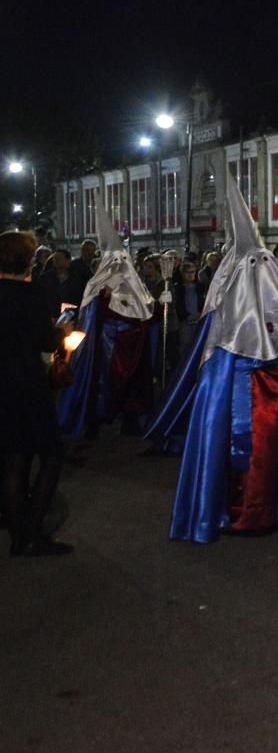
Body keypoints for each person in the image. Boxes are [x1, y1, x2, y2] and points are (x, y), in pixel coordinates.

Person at [165, 183, 278, 543]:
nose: (259, 268)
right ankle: (230, 510)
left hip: (272, 386)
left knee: (269, 454)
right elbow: (226, 334)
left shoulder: (264, 274)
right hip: (235, 382)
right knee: (229, 450)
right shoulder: (230, 289)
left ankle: (269, 508)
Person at [1, 231, 77, 556]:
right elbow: (46, 341)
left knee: (12, 459)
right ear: (27, 260)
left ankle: (19, 529)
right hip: (26, 382)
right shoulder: (29, 293)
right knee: (51, 454)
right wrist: (63, 333)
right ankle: (30, 533)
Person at [56, 208, 157, 439]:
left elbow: (145, 312)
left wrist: (159, 305)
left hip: (133, 346)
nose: (120, 264)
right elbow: (91, 313)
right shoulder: (97, 284)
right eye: (115, 260)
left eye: (124, 259)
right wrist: (104, 297)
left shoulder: (136, 284)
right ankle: (94, 422)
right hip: (105, 346)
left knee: (131, 386)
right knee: (100, 385)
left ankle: (130, 421)